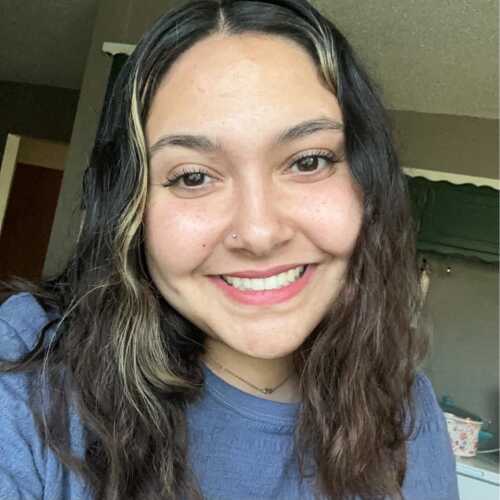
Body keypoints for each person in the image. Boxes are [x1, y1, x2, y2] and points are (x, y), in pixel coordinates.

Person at [0, 1, 459, 499]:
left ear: (368, 185)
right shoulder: (29, 363)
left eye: (308, 162)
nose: (259, 233)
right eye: (193, 177)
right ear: (130, 207)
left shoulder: (407, 409)